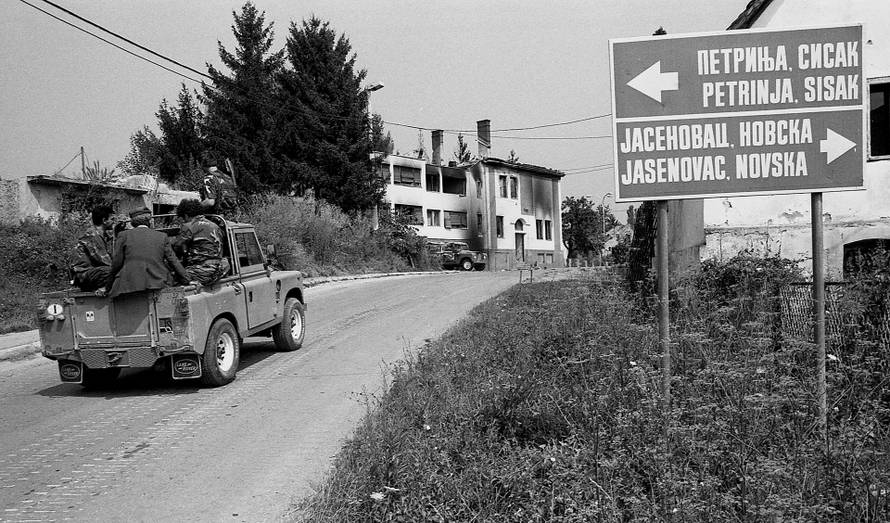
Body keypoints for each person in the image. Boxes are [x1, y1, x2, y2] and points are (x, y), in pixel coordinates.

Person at [100, 208, 193, 298]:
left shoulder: (123, 235)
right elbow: (173, 261)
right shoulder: (162, 236)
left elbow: (116, 264)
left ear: (132, 222)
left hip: (129, 285)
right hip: (158, 283)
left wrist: (108, 286)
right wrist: (187, 279)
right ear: (149, 221)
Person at [173, 199, 230, 286]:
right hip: (218, 271)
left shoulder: (189, 226)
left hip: (199, 272)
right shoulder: (215, 226)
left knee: (168, 280)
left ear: (186, 215)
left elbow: (176, 247)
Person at [70, 205, 114, 291]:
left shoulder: (103, 236)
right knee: (111, 271)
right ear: (104, 220)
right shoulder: (91, 236)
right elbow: (105, 260)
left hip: (93, 272)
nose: (114, 222)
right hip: (83, 274)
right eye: (112, 219)